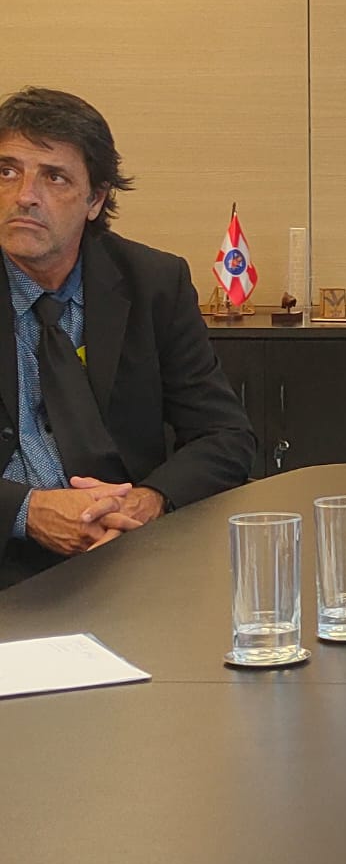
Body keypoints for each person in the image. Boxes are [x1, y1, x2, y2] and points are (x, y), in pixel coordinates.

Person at [0, 87, 254, 589]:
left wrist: (147, 502)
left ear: (95, 200)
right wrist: (27, 511)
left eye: (54, 177)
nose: (24, 195)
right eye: (7, 171)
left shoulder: (153, 283)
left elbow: (225, 436)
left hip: (128, 555)